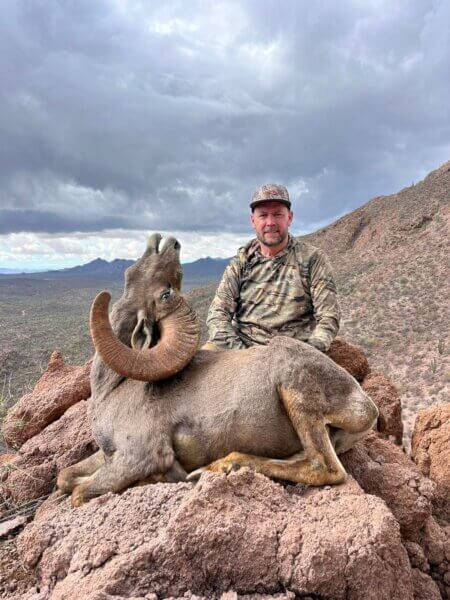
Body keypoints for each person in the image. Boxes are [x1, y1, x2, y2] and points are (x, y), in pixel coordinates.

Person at [206, 183, 340, 352]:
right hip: (243, 353)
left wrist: (308, 353)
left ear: (289, 218)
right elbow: (217, 314)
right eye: (263, 215)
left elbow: (328, 317)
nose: (270, 222)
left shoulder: (313, 259)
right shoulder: (241, 262)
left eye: (278, 214)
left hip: (294, 354)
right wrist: (243, 356)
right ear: (253, 221)